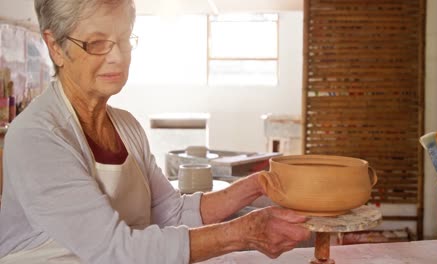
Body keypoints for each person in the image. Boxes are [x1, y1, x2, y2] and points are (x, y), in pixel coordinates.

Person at [0, 0, 311, 263]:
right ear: (55, 47)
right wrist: (243, 233)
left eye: (123, 39)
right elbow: (116, 249)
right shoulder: (37, 137)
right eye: (96, 43)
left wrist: (255, 185)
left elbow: (171, 213)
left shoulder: (126, 126)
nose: (117, 57)